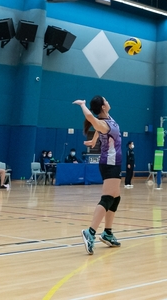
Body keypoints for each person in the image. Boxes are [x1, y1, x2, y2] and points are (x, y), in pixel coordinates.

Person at [74, 96, 123, 255]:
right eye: (106, 101)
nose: (108, 102)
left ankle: (107, 233)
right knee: (108, 197)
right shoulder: (102, 123)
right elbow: (91, 118)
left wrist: (94, 140)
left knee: (115, 198)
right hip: (109, 163)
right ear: (102, 106)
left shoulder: (107, 119)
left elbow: (98, 129)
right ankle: (90, 232)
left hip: (114, 162)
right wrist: (82, 105)